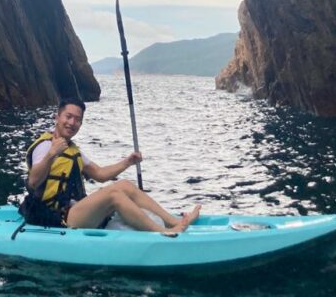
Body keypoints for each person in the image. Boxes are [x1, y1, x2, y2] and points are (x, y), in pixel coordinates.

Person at [20, 97, 201, 233]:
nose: (72, 123)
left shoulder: (72, 150)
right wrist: (51, 154)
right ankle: (162, 232)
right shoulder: (44, 147)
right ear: (57, 117)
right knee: (114, 194)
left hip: (75, 209)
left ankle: (173, 221)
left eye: (77, 119)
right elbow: (34, 181)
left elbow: (99, 174)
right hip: (55, 216)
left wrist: (127, 162)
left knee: (124, 185)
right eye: (68, 117)